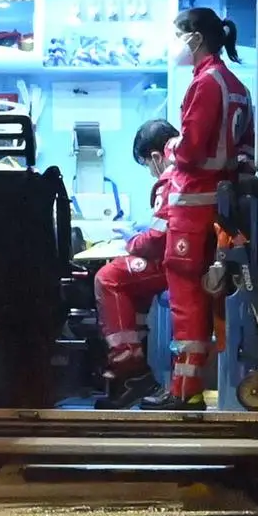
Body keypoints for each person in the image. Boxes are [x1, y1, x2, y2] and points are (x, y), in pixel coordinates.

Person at [158, 5, 255, 407]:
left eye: (179, 34)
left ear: (196, 38)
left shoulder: (205, 84)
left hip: (193, 207)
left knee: (186, 297)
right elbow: (246, 149)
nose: (176, 44)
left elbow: (191, 150)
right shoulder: (237, 86)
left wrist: (168, 146)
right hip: (219, 208)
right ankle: (191, 388)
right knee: (211, 297)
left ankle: (184, 391)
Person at [92, 119, 180, 403]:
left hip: (174, 259)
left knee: (108, 277)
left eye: (146, 164)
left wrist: (131, 242)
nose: (149, 171)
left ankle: (130, 367)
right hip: (183, 254)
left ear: (156, 157)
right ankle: (131, 376)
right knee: (131, 286)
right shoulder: (186, 174)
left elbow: (156, 240)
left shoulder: (170, 180)